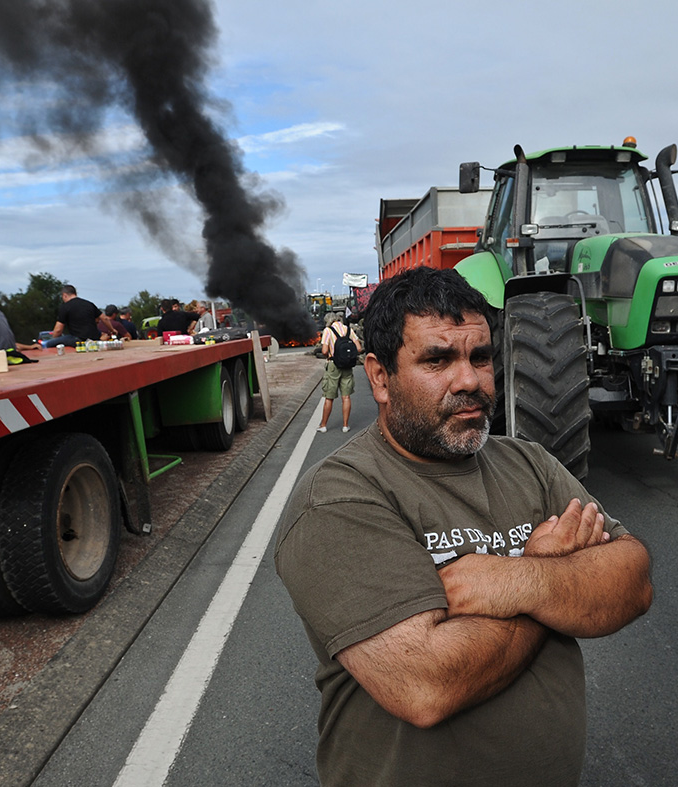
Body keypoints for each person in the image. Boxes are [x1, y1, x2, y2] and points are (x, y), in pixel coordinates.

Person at [274, 267, 653, 786]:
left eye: (480, 356)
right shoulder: (339, 497)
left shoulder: (531, 463)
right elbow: (425, 684)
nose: (470, 380)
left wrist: (516, 581)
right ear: (380, 377)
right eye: (437, 359)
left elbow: (633, 579)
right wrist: (554, 578)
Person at [316, 314, 361, 433]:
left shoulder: (328, 330)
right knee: (346, 397)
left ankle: (323, 425)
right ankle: (345, 426)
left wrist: (330, 354)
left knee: (329, 397)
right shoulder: (348, 329)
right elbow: (359, 348)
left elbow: (325, 350)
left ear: (328, 322)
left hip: (333, 365)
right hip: (347, 365)